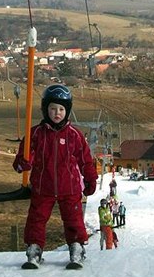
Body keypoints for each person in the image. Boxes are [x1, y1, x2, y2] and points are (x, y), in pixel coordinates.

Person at [13, 84, 98, 267]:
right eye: (52, 108)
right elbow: (20, 161)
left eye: (61, 109)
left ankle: (76, 248)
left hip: (70, 187)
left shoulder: (74, 135)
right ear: (45, 109)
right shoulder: (35, 134)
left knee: (73, 219)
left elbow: (85, 160)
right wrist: (24, 163)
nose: (57, 113)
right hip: (43, 186)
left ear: (67, 111)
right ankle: (34, 249)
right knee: (36, 219)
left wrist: (90, 178)